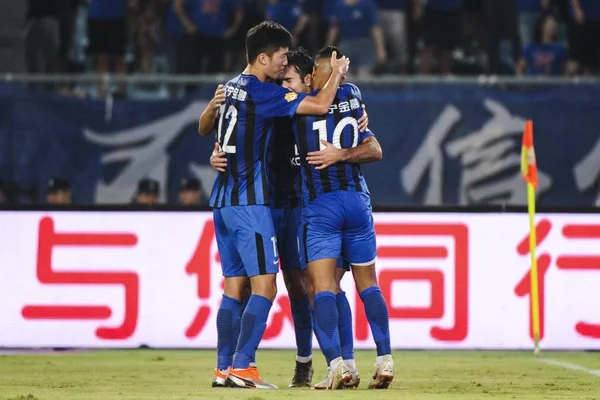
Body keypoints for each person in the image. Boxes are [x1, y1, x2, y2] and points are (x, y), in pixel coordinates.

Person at [197, 21, 349, 389]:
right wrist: (337, 75)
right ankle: (243, 365)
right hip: (252, 202)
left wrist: (218, 152)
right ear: (262, 57)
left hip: (222, 200)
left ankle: (223, 369)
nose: (284, 65)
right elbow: (321, 103)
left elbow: (210, 129)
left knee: (234, 287)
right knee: (265, 287)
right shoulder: (261, 92)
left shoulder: (232, 86)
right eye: (280, 57)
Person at [292, 46, 393, 389]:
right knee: (368, 284)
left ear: (312, 75)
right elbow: (376, 150)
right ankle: (384, 358)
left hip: (322, 206)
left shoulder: (299, 105)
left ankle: (338, 365)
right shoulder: (352, 94)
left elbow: (320, 102)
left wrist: (336, 155)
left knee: (322, 287)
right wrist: (347, 153)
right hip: (357, 202)